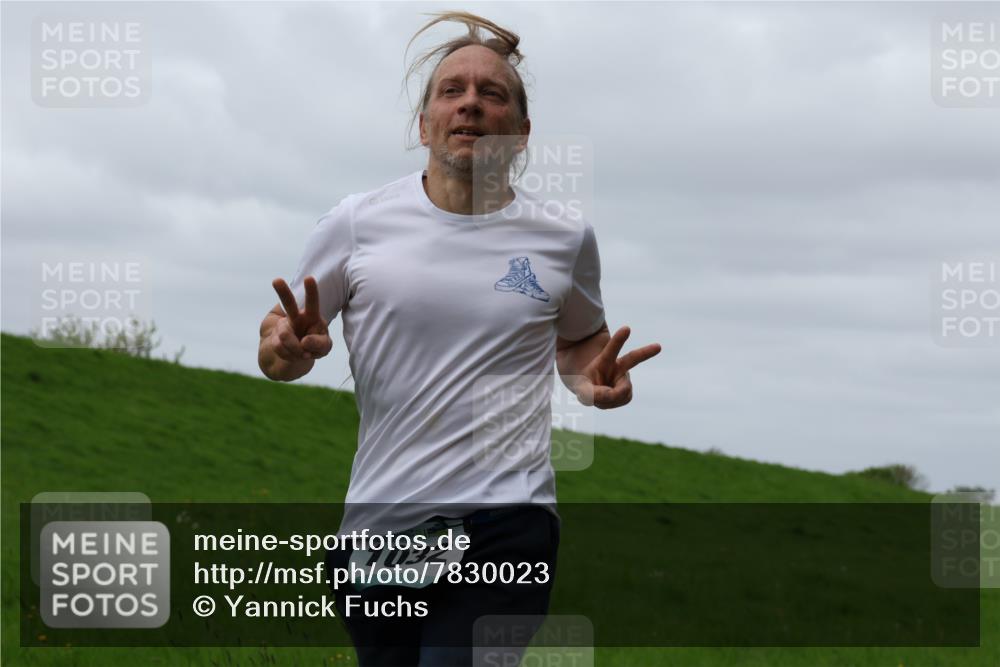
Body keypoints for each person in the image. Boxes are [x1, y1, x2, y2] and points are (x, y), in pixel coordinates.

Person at [257, 11, 660, 666]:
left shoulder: (563, 238)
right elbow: (280, 335)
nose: (470, 102)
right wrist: (283, 348)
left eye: (492, 92)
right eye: (452, 90)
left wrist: (595, 378)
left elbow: (580, 344)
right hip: (382, 524)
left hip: (509, 518)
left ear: (523, 132)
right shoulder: (357, 224)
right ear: (424, 124)